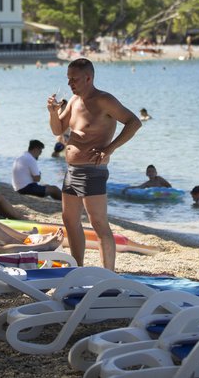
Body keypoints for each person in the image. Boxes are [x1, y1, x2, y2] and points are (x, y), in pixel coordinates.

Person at [47, 57, 142, 270]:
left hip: (92, 170)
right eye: (68, 78)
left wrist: (110, 148)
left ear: (88, 78)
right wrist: (53, 113)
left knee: (98, 223)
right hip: (72, 170)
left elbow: (134, 122)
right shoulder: (73, 101)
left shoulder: (104, 100)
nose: (70, 83)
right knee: (70, 220)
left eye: (74, 79)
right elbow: (57, 130)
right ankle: (78, 267)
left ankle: (108, 273)